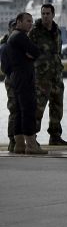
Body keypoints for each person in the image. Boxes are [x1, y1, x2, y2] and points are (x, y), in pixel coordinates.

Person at [5, 12, 47, 155]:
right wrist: (30, 55)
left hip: (16, 77)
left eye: (32, 21)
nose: (31, 23)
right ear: (19, 22)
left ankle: (19, 145)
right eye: (28, 21)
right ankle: (31, 146)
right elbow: (36, 51)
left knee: (18, 111)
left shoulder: (12, 37)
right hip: (24, 76)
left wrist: (29, 55)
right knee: (29, 109)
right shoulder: (20, 37)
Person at [30, 3, 67, 146]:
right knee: (38, 108)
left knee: (57, 106)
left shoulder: (56, 30)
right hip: (41, 76)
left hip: (56, 75)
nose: (45, 16)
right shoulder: (34, 32)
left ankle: (55, 136)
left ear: (53, 15)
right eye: (43, 14)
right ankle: (32, 137)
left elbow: (58, 51)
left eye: (48, 14)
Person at [2, 18, 18, 152]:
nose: (14, 29)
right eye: (13, 27)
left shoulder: (20, 42)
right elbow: (5, 68)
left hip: (22, 80)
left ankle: (20, 139)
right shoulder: (5, 45)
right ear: (9, 29)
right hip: (11, 80)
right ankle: (12, 140)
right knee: (13, 109)